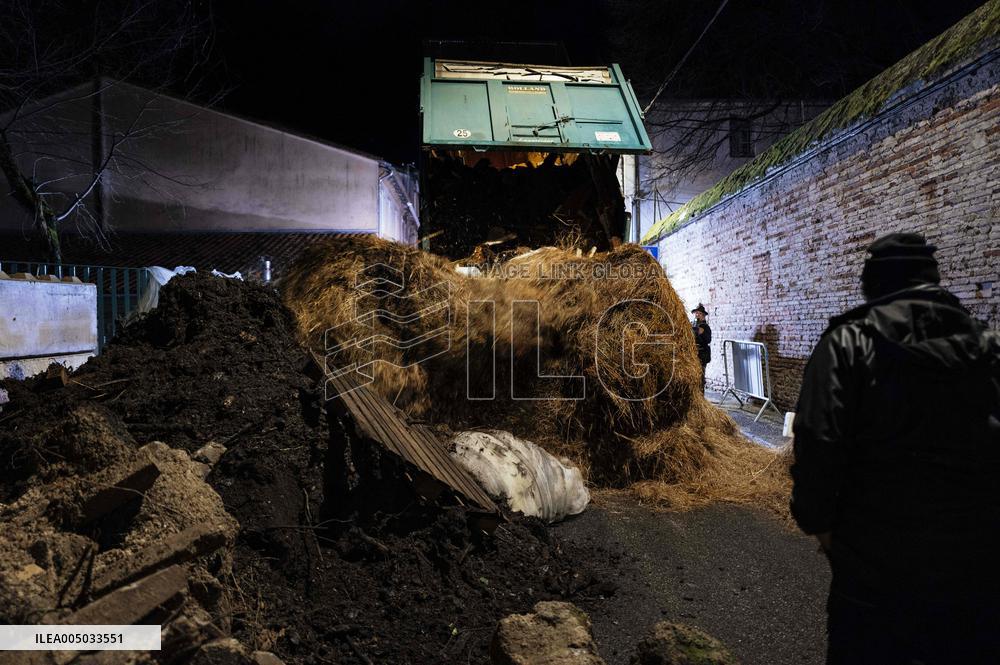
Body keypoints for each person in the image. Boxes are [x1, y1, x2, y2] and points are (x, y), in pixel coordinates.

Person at [790, 232, 1000, 665]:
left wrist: (823, 527)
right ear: (933, 278)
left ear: (874, 281)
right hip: (975, 564)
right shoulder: (986, 345)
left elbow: (817, 444)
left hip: (874, 566)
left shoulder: (846, 343)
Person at [691, 304, 711, 392]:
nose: (697, 315)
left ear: (703, 315)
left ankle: (701, 397)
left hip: (702, 355)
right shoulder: (694, 325)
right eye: (696, 313)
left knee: (700, 377)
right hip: (694, 354)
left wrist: (701, 333)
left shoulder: (705, 327)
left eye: (699, 313)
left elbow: (708, 340)